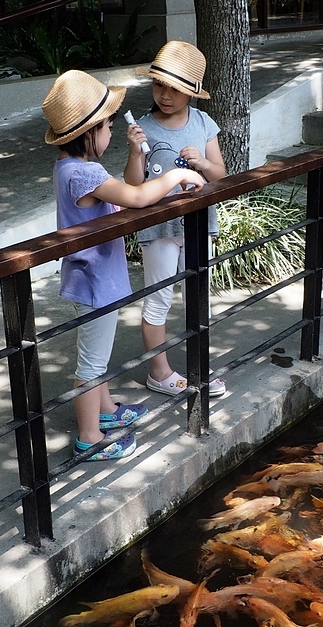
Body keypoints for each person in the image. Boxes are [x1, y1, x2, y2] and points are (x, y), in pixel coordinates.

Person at [42, 70, 205, 460]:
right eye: (109, 126)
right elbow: (137, 196)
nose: (112, 133)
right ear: (90, 130)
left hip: (95, 278)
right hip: (96, 280)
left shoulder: (68, 169)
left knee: (98, 356)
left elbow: (115, 199)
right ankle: (89, 438)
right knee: (91, 364)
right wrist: (179, 174)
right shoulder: (85, 172)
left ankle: (107, 411)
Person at [124, 41, 227, 398]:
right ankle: (160, 371)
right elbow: (134, 184)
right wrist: (136, 152)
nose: (165, 95)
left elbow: (220, 174)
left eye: (176, 88)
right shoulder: (143, 126)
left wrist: (201, 163)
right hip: (159, 227)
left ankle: (200, 361)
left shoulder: (203, 122)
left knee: (198, 295)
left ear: (192, 93)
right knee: (159, 299)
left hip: (199, 224)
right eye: (159, 86)